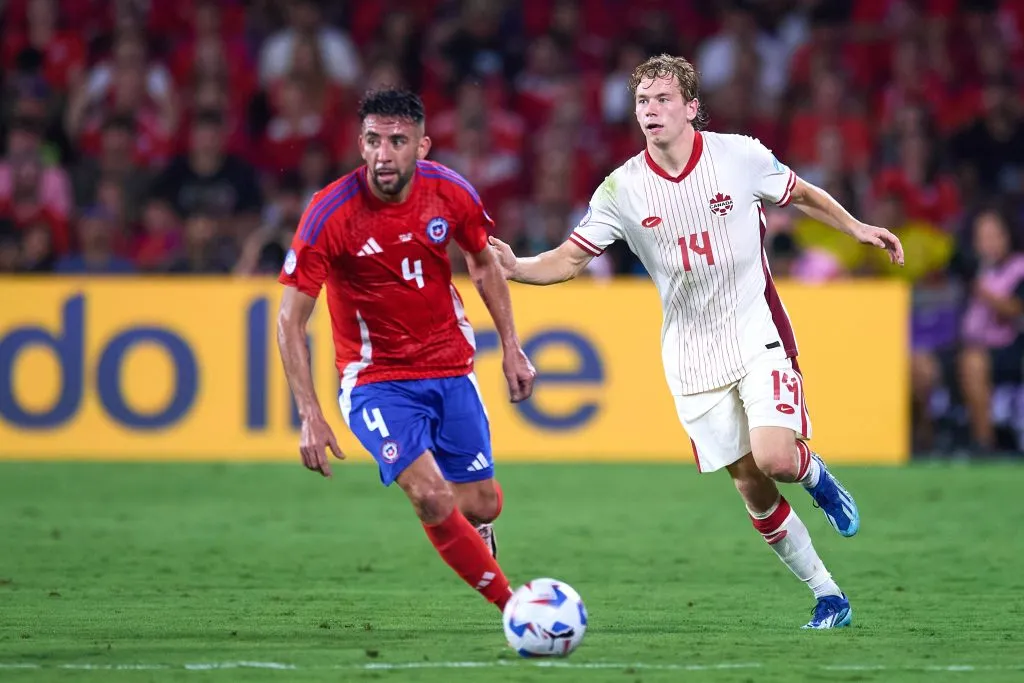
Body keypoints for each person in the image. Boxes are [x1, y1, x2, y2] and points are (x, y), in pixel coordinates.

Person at [488, 55, 905, 629]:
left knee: (777, 458)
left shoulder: (740, 156)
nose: (651, 111)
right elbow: (568, 260)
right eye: (642, 102)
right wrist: (516, 266)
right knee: (753, 490)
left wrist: (856, 227)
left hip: (755, 329)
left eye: (662, 100)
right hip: (690, 357)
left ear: (691, 107)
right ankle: (828, 595)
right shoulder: (622, 189)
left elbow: (801, 194)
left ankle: (815, 476)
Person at [277, 88, 536, 614]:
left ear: (422, 146)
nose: (383, 154)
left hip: (450, 367)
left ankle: (471, 532)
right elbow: (290, 318)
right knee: (431, 496)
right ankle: (517, 609)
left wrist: (511, 346)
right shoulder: (330, 212)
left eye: (397, 141)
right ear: (360, 144)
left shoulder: (450, 192)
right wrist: (310, 412)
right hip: (376, 380)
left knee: (482, 502)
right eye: (373, 140)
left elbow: (483, 263)